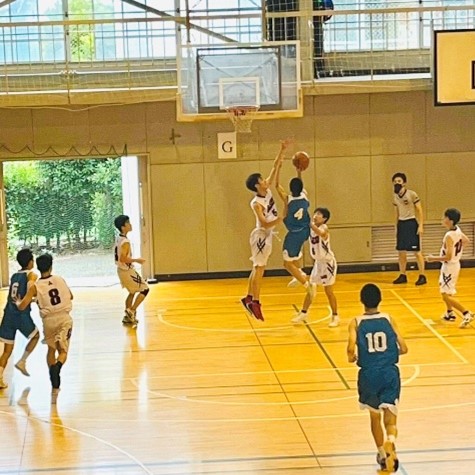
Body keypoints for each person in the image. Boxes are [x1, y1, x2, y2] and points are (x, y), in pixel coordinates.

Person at [347, 283, 408, 472]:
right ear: (380, 300)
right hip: (389, 373)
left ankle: (382, 454)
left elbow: (350, 348)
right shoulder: (389, 319)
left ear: (361, 301)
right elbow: (404, 348)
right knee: (390, 418)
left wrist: (352, 357)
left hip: (368, 375)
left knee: (375, 417)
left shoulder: (356, 322)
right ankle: (391, 439)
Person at [241, 140, 288, 321]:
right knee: (259, 269)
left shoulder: (266, 190)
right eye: (261, 180)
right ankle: (256, 302)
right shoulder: (256, 203)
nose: (265, 181)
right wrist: (281, 218)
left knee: (257, 267)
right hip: (261, 236)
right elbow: (264, 224)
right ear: (256, 185)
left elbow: (274, 167)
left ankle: (248, 297)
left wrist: (282, 150)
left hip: (266, 236)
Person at [16, 253, 73, 403]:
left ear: (37, 267)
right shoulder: (60, 279)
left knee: (51, 349)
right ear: (51, 266)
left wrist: (20, 302)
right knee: (63, 351)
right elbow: (71, 296)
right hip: (64, 318)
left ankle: (53, 381)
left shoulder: (35, 286)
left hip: (48, 321)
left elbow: (22, 306)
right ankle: (57, 367)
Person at [426, 208, 473, 328]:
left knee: (445, 294)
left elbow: (448, 256)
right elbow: (466, 241)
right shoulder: (457, 230)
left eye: (445, 217)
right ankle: (449, 313)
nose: (443, 219)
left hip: (450, 266)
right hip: (453, 265)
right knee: (445, 290)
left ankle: (466, 313)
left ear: (450, 221)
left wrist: (433, 258)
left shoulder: (449, 235)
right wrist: (458, 251)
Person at [292, 207, 339, 327]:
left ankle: (335, 316)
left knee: (329, 291)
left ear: (324, 219)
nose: (315, 215)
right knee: (311, 288)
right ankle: (304, 313)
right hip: (318, 263)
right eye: (315, 213)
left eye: (319, 214)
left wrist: (309, 223)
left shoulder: (324, 228)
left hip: (328, 263)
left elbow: (320, 233)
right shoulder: (311, 228)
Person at [0, 249, 40, 389]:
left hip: (8, 314)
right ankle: (22, 361)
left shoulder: (14, 276)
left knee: (7, 351)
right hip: (21, 315)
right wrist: (34, 296)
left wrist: (31, 300)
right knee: (36, 336)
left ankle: (0, 377)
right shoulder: (32, 274)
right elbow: (30, 287)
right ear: (30, 262)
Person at [275, 164, 314, 300]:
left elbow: (277, 186)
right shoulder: (305, 197)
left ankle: (307, 284)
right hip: (306, 231)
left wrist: (278, 169)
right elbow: (301, 187)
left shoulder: (288, 200)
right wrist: (299, 172)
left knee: (287, 263)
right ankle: (298, 275)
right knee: (295, 256)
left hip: (295, 233)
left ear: (290, 189)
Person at [392, 172, 427, 286]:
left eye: (399, 181)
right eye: (395, 181)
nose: (397, 183)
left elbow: (419, 210)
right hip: (401, 224)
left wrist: (420, 225)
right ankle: (402, 275)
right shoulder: (395, 196)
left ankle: (422, 275)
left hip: (411, 223)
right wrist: (396, 226)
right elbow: (396, 212)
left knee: (417, 252)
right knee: (401, 252)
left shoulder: (412, 194)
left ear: (404, 183)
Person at [114, 215, 149, 325]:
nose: (130, 224)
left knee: (132, 292)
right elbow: (123, 258)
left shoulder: (119, 238)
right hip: (126, 271)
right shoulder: (125, 242)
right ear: (123, 227)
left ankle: (128, 317)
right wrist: (137, 260)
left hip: (122, 270)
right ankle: (132, 310)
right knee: (145, 289)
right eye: (128, 223)